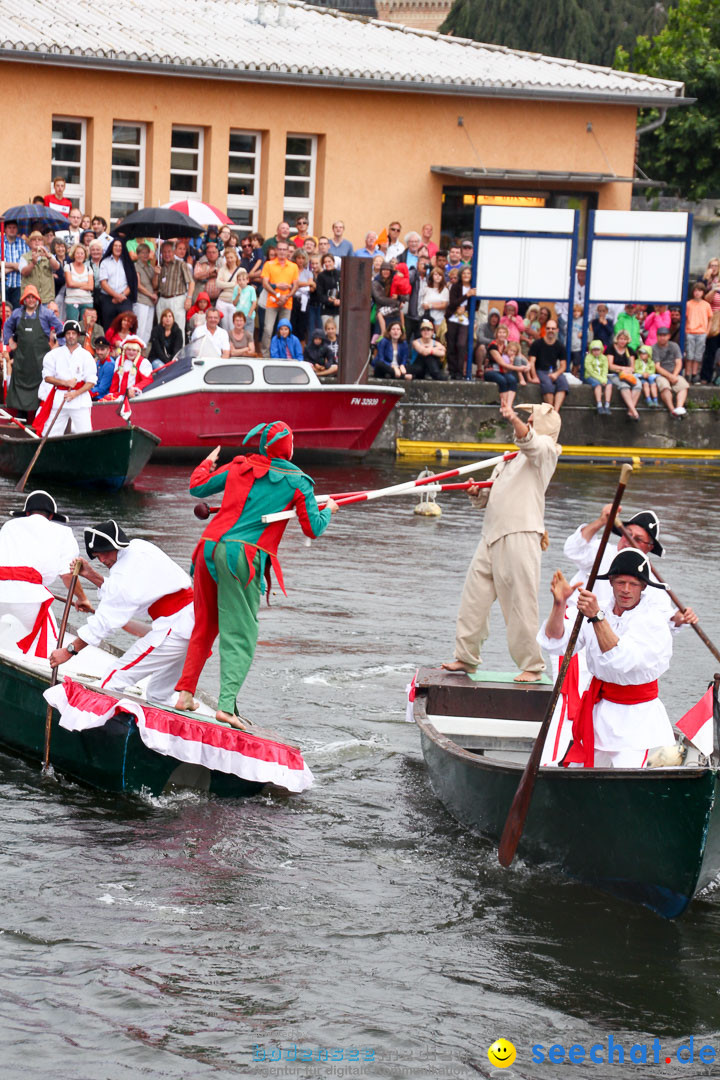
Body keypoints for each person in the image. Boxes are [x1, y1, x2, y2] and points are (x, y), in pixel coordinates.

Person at [174, 424, 338, 726]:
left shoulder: (239, 466)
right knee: (241, 632)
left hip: (208, 548)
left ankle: (185, 692)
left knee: (206, 624)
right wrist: (329, 510)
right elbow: (312, 528)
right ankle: (225, 707)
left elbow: (197, 486)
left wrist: (208, 462)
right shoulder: (299, 482)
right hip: (242, 557)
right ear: (288, 447)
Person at [443, 402, 561, 682]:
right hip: (491, 535)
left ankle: (532, 666)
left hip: (521, 535)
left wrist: (513, 419)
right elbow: (493, 495)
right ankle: (466, 658)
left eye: (531, 419)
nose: (527, 422)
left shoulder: (546, 451)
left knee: (521, 603)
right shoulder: (508, 458)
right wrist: (477, 492)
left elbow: (531, 442)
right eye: (526, 419)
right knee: (473, 600)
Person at [538, 550, 678, 769]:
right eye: (620, 582)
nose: (625, 590)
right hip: (599, 714)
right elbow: (556, 641)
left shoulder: (652, 621)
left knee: (632, 784)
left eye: (633, 584)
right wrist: (559, 605)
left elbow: (620, 659)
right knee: (577, 777)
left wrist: (596, 617)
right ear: (611, 582)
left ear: (643, 586)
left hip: (638, 722)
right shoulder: (598, 607)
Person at [49, 521, 195, 707]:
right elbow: (122, 592)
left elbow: (107, 619)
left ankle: (96, 729)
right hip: (188, 626)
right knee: (158, 695)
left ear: (117, 546)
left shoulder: (125, 572)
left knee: (111, 681)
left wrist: (69, 650)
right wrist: (92, 575)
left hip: (175, 627)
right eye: (97, 555)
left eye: (105, 552)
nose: (102, 559)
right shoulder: (139, 548)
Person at [0, 491, 90, 659]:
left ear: (26, 513)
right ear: (50, 516)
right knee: (50, 640)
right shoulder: (63, 533)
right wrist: (82, 598)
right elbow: (67, 574)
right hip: (30, 597)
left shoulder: (9, 526)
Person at [2, 285, 64, 417]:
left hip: (40, 362)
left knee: (40, 391)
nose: (30, 300)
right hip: (22, 362)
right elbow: (7, 326)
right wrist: (10, 342)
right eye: (28, 297)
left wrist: (58, 345)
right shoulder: (17, 314)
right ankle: (20, 418)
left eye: (33, 297)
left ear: (37, 299)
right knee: (20, 390)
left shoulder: (46, 313)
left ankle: (38, 419)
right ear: (24, 299)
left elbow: (60, 327)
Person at [34, 319, 96, 437]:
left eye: (73, 333)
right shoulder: (53, 354)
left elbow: (91, 381)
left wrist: (75, 394)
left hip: (80, 400)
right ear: (64, 335)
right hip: (59, 398)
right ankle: (50, 454)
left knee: (85, 433)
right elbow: (47, 377)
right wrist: (65, 382)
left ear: (78, 335)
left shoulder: (86, 355)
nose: (71, 336)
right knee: (50, 433)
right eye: (68, 333)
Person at [261, 241, 299, 355]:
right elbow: (265, 283)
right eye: (280, 249)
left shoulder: (293, 266)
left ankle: (284, 355)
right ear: (276, 250)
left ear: (288, 252)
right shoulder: (269, 264)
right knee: (268, 329)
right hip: (272, 302)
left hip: (287, 302)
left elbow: (295, 285)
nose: (282, 252)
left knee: (285, 330)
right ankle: (266, 355)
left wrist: (286, 296)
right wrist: (277, 295)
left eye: (284, 249)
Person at [528, 318, 569, 411]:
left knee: (563, 383)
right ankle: (550, 410)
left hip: (553, 370)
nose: (550, 330)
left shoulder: (560, 345)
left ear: (557, 330)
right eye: (548, 328)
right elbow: (531, 362)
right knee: (547, 385)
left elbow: (563, 365)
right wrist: (534, 376)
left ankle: (556, 411)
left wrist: (556, 374)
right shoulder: (537, 344)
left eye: (553, 328)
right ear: (545, 329)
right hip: (540, 370)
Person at [154, 241, 194, 333]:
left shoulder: (181, 264)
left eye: (169, 251)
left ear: (173, 252)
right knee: (161, 328)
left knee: (178, 329)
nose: (167, 254)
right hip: (162, 300)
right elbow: (155, 286)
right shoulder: (160, 266)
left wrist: (189, 298)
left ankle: (179, 348)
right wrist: (156, 275)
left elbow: (191, 282)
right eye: (164, 252)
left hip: (177, 299)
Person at [98, 239, 137, 332]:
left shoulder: (128, 263)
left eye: (120, 246)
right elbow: (103, 283)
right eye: (115, 246)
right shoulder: (105, 262)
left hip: (124, 298)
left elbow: (132, 282)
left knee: (127, 325)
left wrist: (122, 296)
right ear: (111, 247)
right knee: (109, 326)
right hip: (108, 298)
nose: (118, 248)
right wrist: (116, 296)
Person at [445, 266, 475, 379]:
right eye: (464, 273)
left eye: (468, 273)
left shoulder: (474, 288)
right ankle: (452, 370)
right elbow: (453, 303)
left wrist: (465, 308)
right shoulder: (455, 287)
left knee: (461, 345)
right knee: (451, 345)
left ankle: (459, 371)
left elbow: (476, 305)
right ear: (461, 275)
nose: (466, 275)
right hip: (453, 318)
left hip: (465, 320)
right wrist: (466, 296)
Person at [652, 325, 688, 418]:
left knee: (683, 385)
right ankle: (672, 410)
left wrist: (674, 375)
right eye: (660, 335)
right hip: (660, 374)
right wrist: (670, 376)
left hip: (674, 373)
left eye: (664, 335)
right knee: (665, 387)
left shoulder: (674, 346)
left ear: (668, 336)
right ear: (657, 336)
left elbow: (679, 362)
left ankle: (679, 407)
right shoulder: (654, 348)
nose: (662, 337)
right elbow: (657, 367)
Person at [606, 329, 640, 420]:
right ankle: (634, 412)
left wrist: (627, 370)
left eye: (624, 339)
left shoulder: (630, 350)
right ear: (617, 339)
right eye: (621, 339)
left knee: (638, 385)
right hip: (614, 374)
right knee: (624, 386)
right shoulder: (611, 348)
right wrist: (622, 368)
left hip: (627, 374)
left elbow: (632, 367)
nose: (622, 341)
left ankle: (630, 411)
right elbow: (610, 366)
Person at [19, 231, 59, 305]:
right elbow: (24, 272)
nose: (37, 242)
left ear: (43, 242)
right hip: (30, 299)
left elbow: (57, 267)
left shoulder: (49, 255)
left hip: (47, 298)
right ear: (29, 243)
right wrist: (33, 263)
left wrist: (49, 257)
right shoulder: (24, 257)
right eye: (34, 239)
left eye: (40, 239)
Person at [685, 281, 712, 384]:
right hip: (690, 331)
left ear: (703, 292)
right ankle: (687, 373)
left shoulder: (706, 305)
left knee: (698, 355)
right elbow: (685, 318)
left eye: (700, 291)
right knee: (689, 354)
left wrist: (707, 331)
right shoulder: (688, 304)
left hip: (701, 332)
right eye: (695, 290)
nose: (697, 293)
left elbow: (710, 319)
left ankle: (695, 374)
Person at [64, 244, 95, 323]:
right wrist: (85, 284)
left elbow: (91, 287)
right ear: (74, 254)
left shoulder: (88, 268)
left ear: (85, 255)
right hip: (72, 301)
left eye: (82, 253)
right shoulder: (68, 267)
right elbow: (70, 283)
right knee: (73, 325)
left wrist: (75, 284)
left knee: (87, 325)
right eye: (77, 253)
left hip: (87, 302)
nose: (80, 255)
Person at [1, 220, 28, 311]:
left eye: (14, 228)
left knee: (17, 312)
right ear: (5, 229)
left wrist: (6, 265)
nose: (12, 230)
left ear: (17, 229)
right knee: (3, 312)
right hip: (3, 284)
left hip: (18, 285)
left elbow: (25, 265)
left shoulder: (23, 244)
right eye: (9, 228)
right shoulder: (0, 242)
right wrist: (16, 266)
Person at [583, 339, 612, 415]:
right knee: (597, 385)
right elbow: (590, 371)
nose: (596, 352)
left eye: (598, 350)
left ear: (601, 350)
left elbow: (605, 369)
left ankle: (607, 405)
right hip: (590, 376)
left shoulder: (604, 358)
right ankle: (599, 405)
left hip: (602, 377)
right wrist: (601, 380)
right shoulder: (588, 357)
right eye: (594, 350)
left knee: (609, 384)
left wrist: (604, 379)